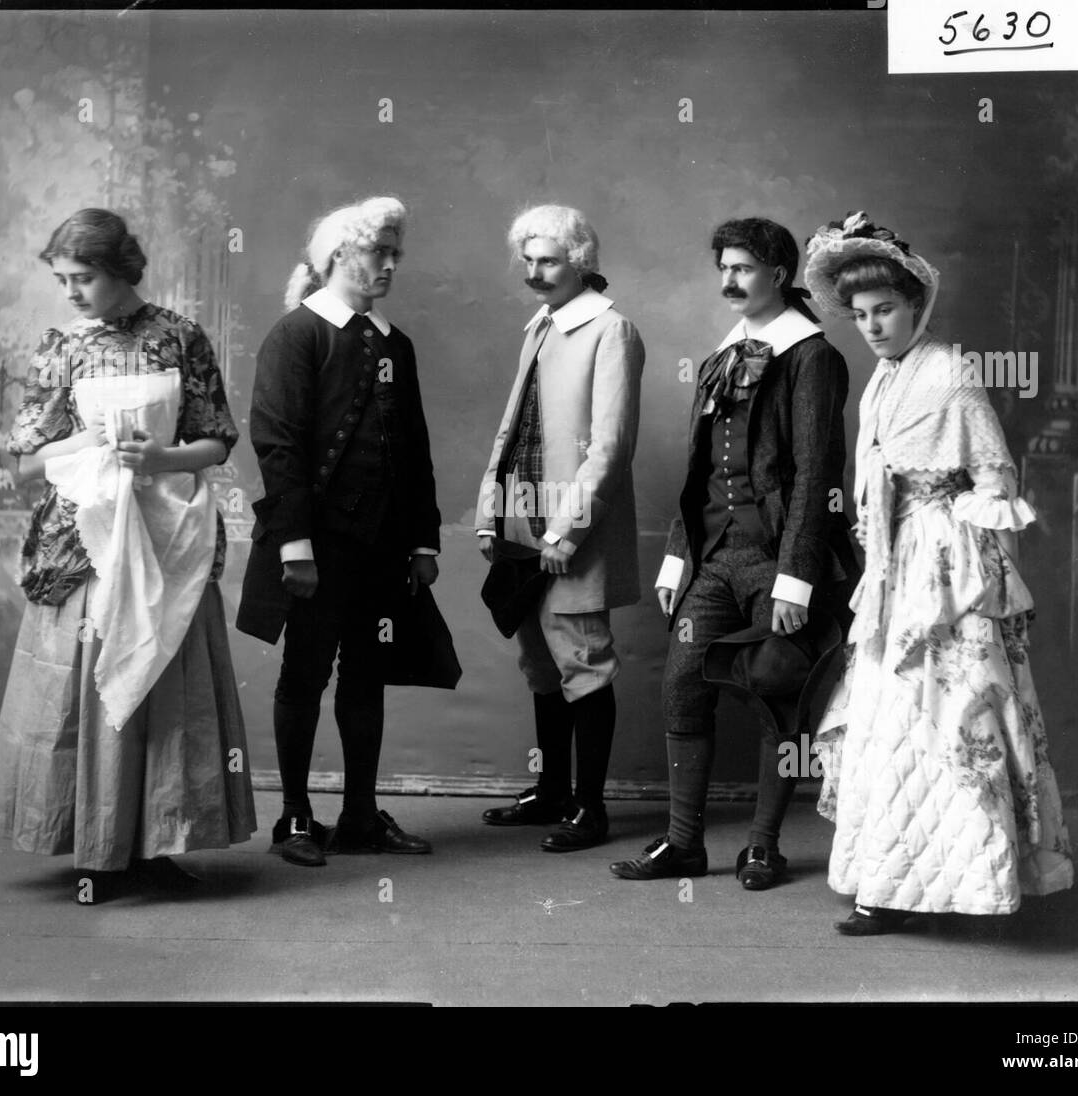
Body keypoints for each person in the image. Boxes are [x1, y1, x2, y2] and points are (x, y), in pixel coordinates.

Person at [803, 211, 1074, 935]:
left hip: (947, 567)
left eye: (886, 310)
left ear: (916, 305)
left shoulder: (952, 373)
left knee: (955, 714)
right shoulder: (883, 380)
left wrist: (977, 576)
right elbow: (874, 477)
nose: (874, 327)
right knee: (890, 716)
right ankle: (883, 884)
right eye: (860, 315)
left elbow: (994, 476)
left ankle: (975, 887)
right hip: (895, 564)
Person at [0, 208, 256, 901]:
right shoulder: (63, 347)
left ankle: (158, 843)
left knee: (166, 685)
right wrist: (92, 446)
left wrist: (161, 455)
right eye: (63, 279)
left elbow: (218, 441)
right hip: (86, 539)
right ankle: (95, 848)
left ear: (120, 270)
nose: (72, 292)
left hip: (169, 536)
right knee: (91, 681)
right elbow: (24, 461)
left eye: (84, 278)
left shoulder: (180, 338)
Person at [610, 217, 857, 886]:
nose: (728, 280)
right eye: (723, 268)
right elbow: (700, 470)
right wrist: (676, 557)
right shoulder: (725, 352)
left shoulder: (812, 357)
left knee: (779, 695)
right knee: (683, 688)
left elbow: (816, 475)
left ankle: (763, 845)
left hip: (781, 563)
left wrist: (797, 581)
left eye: (743, 268)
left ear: (778, 275)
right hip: (715, 558)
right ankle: (684, 843)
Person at [237, 197, 442, 866]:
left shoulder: (395, 344)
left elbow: (413, 450)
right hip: (318, 548)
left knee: (367, 677)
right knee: (305, 672)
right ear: (336, 259)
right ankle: (295, 817)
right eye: (376, 253)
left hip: (382, 550)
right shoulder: (298, 335)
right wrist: (294, 544)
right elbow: (278, 444)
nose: (388, 266)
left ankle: (359, 815)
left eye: (394, 255)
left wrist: (422, 541)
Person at [474, 205, 645, 852]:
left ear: (582, 262)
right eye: (530, 261)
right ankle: (552, 792)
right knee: (539, 664)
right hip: (522, 526)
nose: (535, 273)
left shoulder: (612, 332)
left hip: (571, 536)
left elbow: (610, 447)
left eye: (548, 261)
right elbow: (513, 429)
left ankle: (589, 807)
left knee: (584, 664)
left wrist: (566, 532)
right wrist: (494, 510)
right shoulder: (542, 327)